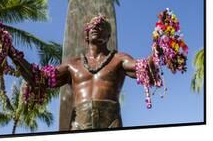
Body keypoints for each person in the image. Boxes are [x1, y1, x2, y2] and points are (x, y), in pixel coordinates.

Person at [9, 15, 155, 130]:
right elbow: (39, 78)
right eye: (92, 26)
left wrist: (158, 50)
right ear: (86, 34)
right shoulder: (72, 65)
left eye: (101, 26)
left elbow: (143, 68)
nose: (96, 27)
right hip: (79, 123)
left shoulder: (119, 59)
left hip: (111, 122)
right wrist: (11, 52)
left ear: (109, 35)